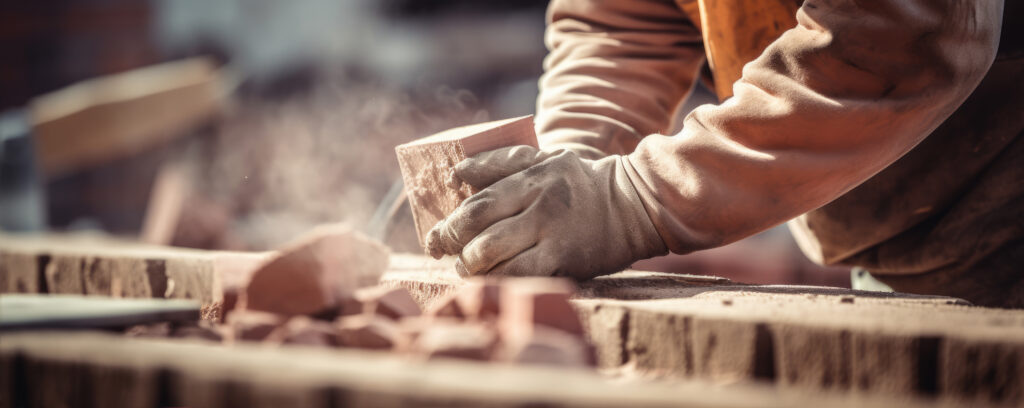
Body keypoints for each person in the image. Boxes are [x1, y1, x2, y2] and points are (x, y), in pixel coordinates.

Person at [425, 0, 1023, 308]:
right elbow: (623, 28)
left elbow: (897, 38)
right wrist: (571, 162)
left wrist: (633, 197)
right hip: (891, 243)